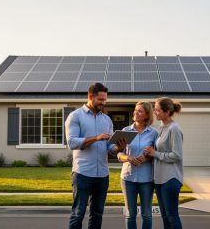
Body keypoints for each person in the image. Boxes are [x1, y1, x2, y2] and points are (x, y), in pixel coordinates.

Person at [65, 82, 126, 229]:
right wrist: (96, 138)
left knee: (97, 214)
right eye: (100, 100)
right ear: (90, 96)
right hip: (83, 173)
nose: (103, 103)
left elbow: (109, 147)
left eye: (105, 100)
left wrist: (118, 147)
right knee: (78, 213)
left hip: (102, 175)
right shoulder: (75, 116)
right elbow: (72, 143)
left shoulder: (107, 120)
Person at [144, 97, 183, 229]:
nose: (154, 112)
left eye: (157, 110)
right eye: (154, 109)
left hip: (170, 179)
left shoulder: (174, 128)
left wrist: (155, 154)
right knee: (165, 216)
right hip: (160, 180)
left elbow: (177, 155)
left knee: (172, 215)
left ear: (167, 112)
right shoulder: (162, 127)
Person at [118, 101, 158, 229]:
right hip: (128, 178)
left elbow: (157, 154)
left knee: (147, 214)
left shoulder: (154, 133)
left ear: (147, 115)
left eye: (140, 111)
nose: (136, 113)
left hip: (147, 179)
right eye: (135, 110)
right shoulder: (125, 131)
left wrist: (147, 158)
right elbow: (119, 154)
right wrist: (128, 158)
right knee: (130, 214)